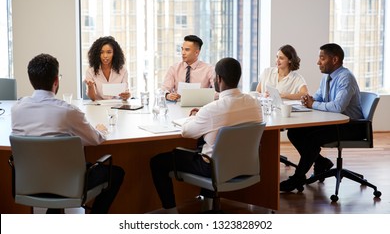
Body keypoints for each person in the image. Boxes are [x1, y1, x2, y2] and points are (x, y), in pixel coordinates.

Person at [11, 53, 125, 214]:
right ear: (56, 81)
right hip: (67, 182)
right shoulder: (67, 111)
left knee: (54, 165)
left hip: (29, 180)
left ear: (31, 80)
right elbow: (95, 139)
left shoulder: (17, 109)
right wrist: (100, 129)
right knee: (117, 173)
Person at [150, 57, 263, 213]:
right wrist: (202, 117)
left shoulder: (212, 109)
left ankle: (172, 215)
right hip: (244, 165)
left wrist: (195, 117)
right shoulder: (255, 104)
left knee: (158, 162)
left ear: (218, 79)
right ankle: (208, 204)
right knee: (206, 143)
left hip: (212, 168)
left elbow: (186, 132)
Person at [280, 43, 363, 192]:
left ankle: (298, 177)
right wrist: (308, 100)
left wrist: (313, 104)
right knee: (295, 132)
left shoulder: (346, 78)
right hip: (334, 123)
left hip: (351, 126)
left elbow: (338, 107)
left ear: (335, 59)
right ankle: (322, 162)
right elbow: (317, 98)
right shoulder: (327, 77)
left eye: (322, 58)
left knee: (312, 139)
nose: (318, 62)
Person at [162, 35, 214, 101]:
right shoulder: (174, 68)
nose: (183, 53)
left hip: (200, 107)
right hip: (177, 106)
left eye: (187, 50)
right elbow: (163, 90)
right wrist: (167, 95)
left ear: (196, 52)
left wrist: (202, 96)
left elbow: (218, 92)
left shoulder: (209, 69)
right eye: (182, 49)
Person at [85, 36, 130, 101]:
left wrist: (127, 95)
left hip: (117, 107)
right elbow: (93, 98)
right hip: (98, 107)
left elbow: (125, 94)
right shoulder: (90, 71)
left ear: (114, 54)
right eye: (101, 52)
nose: (105, 56)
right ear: (97, 54)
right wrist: (90, 86)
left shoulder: (123, 70)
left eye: (109, 52)